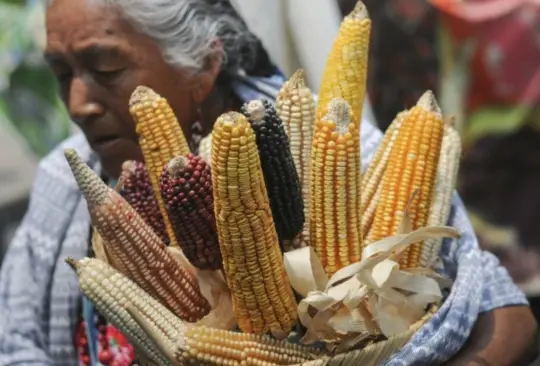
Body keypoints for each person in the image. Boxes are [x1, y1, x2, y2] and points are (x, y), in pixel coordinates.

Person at [0, 0, 536, 365]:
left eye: (105, 69)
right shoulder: (66, 180)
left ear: (204, 64)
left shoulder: (351, 155)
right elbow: (15, 340)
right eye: (62, 74)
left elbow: (504, 309)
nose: (78, 105)